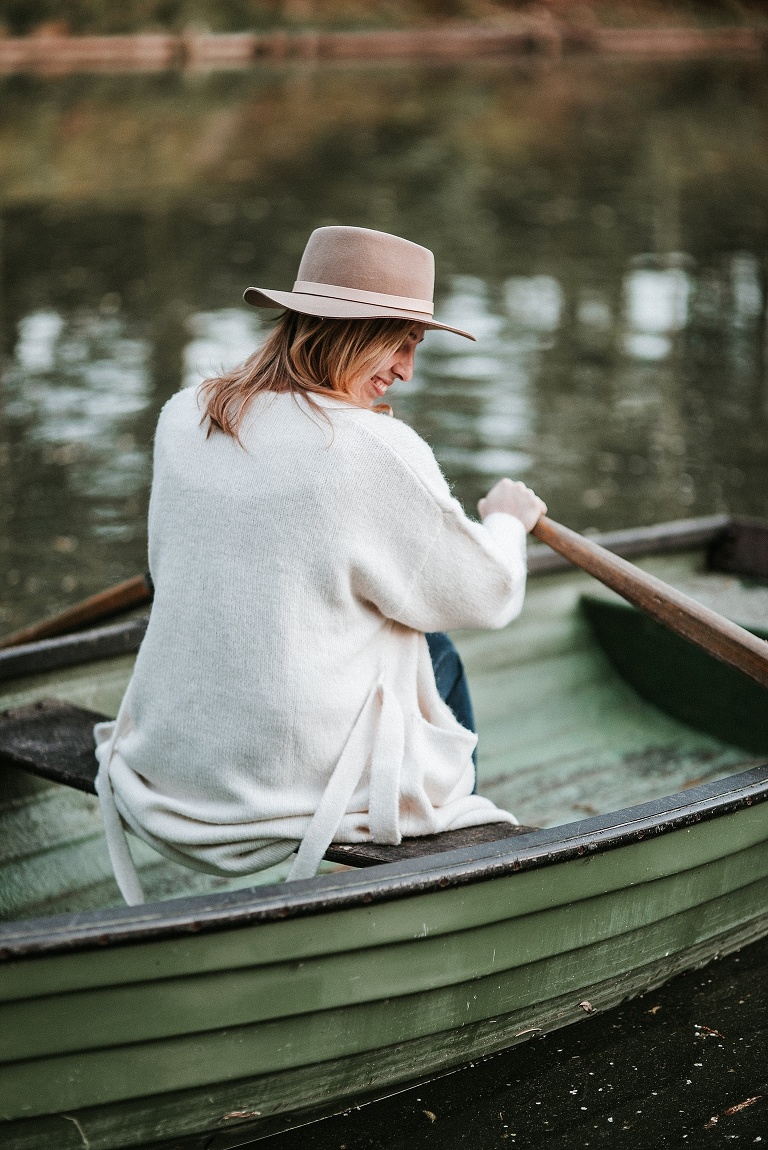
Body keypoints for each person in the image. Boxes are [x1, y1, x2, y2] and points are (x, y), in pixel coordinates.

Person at [94, 225, 546, 906]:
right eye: (401, 342)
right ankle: (448, 891)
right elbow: (487, 591)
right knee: (435, 647)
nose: (406, 370)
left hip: (169, 759)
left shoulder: (183, 415)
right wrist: (508, 522)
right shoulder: (371, 447)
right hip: (293, 772)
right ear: (352, 332)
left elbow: (164, 574)